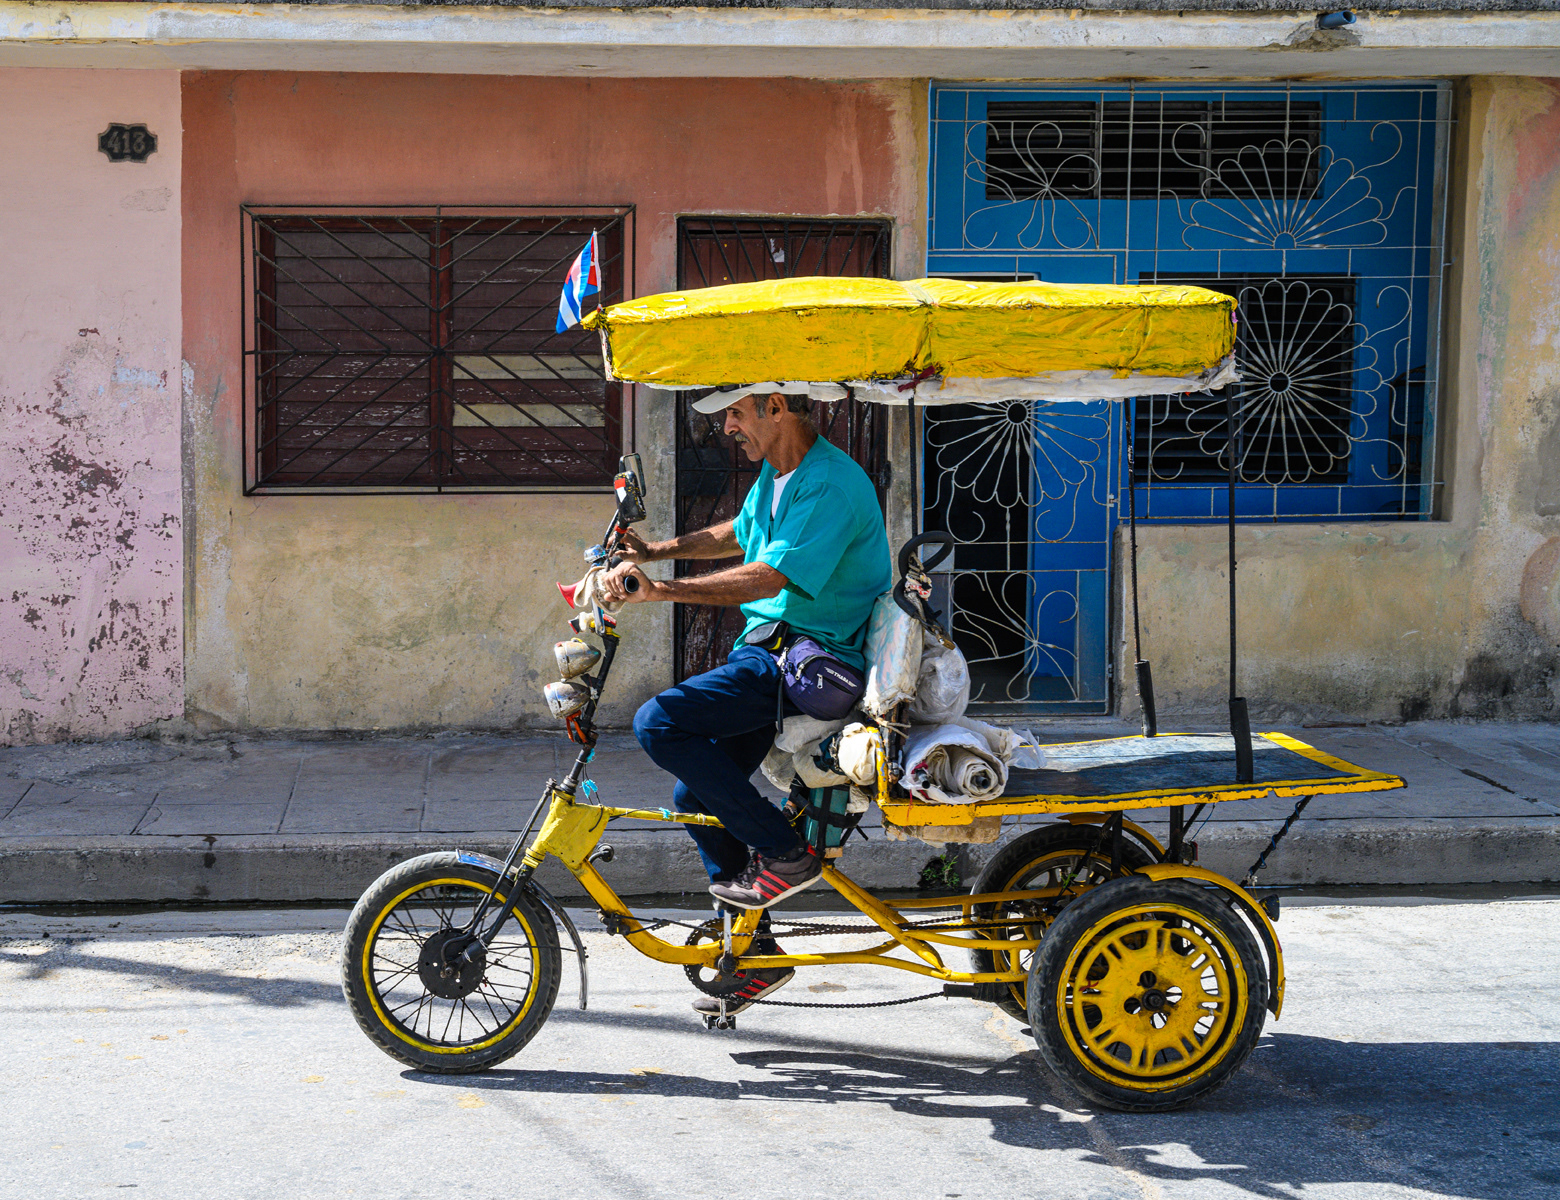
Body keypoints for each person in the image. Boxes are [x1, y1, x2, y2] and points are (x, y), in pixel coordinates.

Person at [598, 380, 891, 1015]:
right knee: (693, 796)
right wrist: (658, 550)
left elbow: (769, 574)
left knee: (656, 723)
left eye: (735, 413)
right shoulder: (782, 475)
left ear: (775, 407)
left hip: (806, 660)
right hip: (771, 652)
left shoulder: (831, 485)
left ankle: (786, 854)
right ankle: (757, 956)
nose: (728, 427)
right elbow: (742, 532)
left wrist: (662, 590)